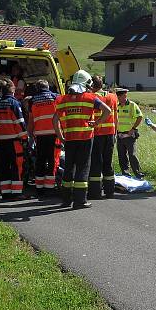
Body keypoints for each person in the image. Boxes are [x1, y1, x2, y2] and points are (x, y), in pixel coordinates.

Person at [52, 70, 111, 209]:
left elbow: (55, 120)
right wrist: (96, 123)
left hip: (69, 139)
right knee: (83, 167)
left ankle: (66, 199)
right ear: (87, 83)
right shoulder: (91, 98)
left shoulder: (62, 99)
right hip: (85, 138)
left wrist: (61, 136)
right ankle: (80, 201)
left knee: (68, 168)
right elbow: (107, 110)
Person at [0, 78, 28, 200]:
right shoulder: (14, 104)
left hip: (0, 141)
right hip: (13, 141)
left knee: (3, 167)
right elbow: (20, 123)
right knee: (17, 166)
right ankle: (17, 193)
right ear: (12, 89)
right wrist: (24, 139)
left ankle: (5, 192)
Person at [27, 79, 60, 198]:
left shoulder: (32, 100)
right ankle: (50, 188)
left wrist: (30, 133)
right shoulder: (56, 97)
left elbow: (31, 120)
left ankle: (39, 188)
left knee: (40, 161)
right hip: (54, 133)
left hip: (39, 135)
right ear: (48, 87)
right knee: (52, 160)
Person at [88, 76, 118, 199]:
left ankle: (95, 192)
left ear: (91, 85)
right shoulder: (112, 96)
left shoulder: (92, 97)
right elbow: (116, 117)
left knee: (96, 163)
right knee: (108, 162)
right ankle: (110, 191)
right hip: (110, 133)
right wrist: (115, 133)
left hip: (97, 133)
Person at [115, 88, 144, 178]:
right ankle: (125, 173)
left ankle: (138, 173)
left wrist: (133, 128)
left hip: (130, 135)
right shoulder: (116, 106)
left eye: (124, 96)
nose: (122, 98)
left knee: (132, 155)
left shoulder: (132, 105)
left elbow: (140, 117)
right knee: (121, 155)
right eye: (120, 96)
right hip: (119, 135)